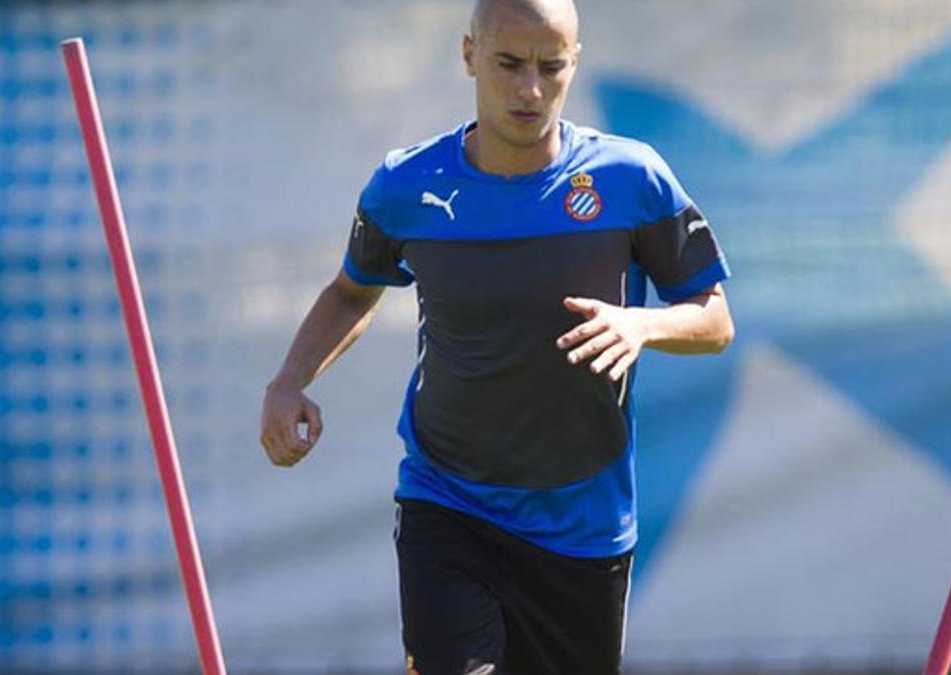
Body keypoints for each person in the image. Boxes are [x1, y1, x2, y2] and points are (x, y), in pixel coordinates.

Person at [259, 0, 734, 672]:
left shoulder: (633, 179)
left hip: (583, 525)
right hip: (448, 501)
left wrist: (642, 323)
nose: (530, 88)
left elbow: (715, 318)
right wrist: (289, 380)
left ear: (576, 64)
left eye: (551, 67)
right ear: (469, 55)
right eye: (509, 64)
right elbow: (349, 291)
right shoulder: (406, 184)